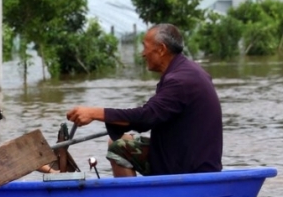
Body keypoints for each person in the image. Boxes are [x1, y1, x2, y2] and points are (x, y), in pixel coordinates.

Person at [66, 23, 222, 177]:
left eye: (145, 47)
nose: (143, 53)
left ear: (161, 49)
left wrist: (94, 113)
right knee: (116, 141)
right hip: (186, 156)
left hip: (189, 168)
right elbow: (152, 116)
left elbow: (146, 117)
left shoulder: (179, 81)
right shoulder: (188, 71)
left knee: (118, 148)